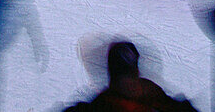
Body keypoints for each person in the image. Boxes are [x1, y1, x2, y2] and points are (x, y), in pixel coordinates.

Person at [64, 40, 200, 112]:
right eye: (122, 78)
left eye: (131, 76)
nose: (129, 84)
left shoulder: (152, 95)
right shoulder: (103, 104)